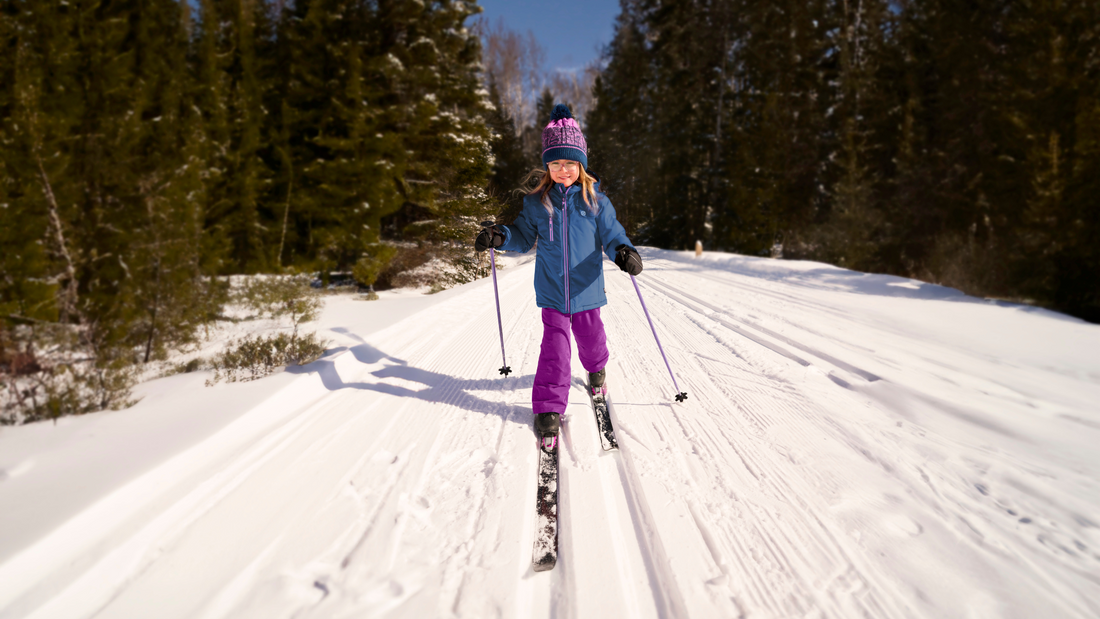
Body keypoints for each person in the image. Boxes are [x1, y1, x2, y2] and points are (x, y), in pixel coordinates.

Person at [475, 104, 643, 440]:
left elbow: (611, 235)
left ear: (580, 164)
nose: (562, 169)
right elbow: (523, 237)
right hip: (552, 290)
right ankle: (549, 405)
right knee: (555, 348)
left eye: (568, 163)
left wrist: (624, 251)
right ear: (546, 166)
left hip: (587, 289)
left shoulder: (595, 201)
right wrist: (501, 236)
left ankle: (597, 370)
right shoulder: (537, 204)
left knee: (592, 341)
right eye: (555, 163)